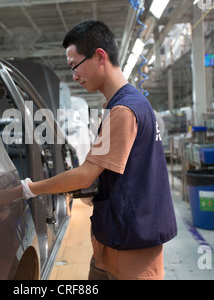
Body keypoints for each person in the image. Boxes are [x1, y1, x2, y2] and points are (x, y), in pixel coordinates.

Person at [21, 19, 177, 280]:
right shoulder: (122, 105)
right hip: (114, 238)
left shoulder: (123, 111)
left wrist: (28, 188)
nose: (74, 76)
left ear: (100, 56)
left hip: (131, 251)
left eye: (75, 66)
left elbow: (85, 175)